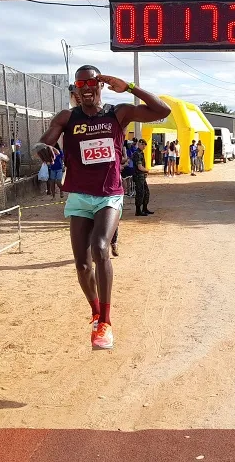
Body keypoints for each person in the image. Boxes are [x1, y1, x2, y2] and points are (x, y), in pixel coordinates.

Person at [34, 64, 170, 350]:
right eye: (79, 86)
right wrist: (42, 148)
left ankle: (106, 322)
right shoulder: (67, 117)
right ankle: (96, 315)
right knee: (82, 265)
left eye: (90, 84)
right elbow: (47, 139)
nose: (85, 90)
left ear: (100, 85)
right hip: (79, 196)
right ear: (75, 90)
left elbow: (162, 111)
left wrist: (130, 88)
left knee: (100, 247)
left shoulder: (117, 113)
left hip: (109, 194)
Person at [132, 139, 153, 216]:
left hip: (141, 176)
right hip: (138, 176)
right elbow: (140, 167)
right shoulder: (137, 154)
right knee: (140, 193)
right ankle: (138, 210)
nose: (144, 146)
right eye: (143, 144)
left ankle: (144, 208)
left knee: (146, 192)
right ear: (139, 144)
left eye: (145, 145)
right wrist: (146, 170)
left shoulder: (141, 153)